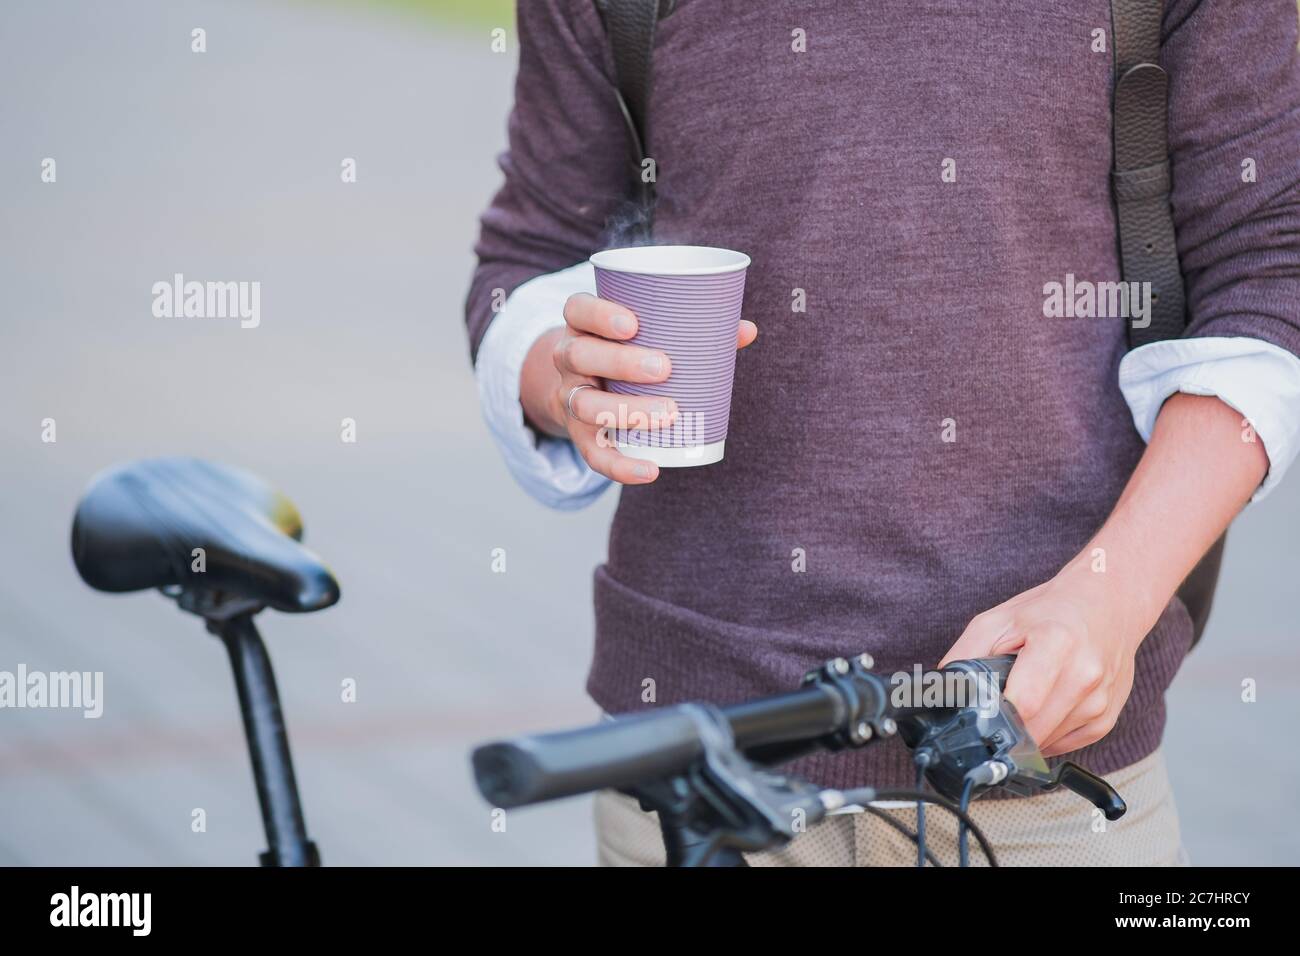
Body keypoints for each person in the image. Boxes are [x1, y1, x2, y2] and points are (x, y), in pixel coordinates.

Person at [465, 0, 1300, 865]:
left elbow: (1272, 265)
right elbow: (529, 253)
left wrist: (1113, 597)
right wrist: (557, 372)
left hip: (1042, 770)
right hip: (699, 770)